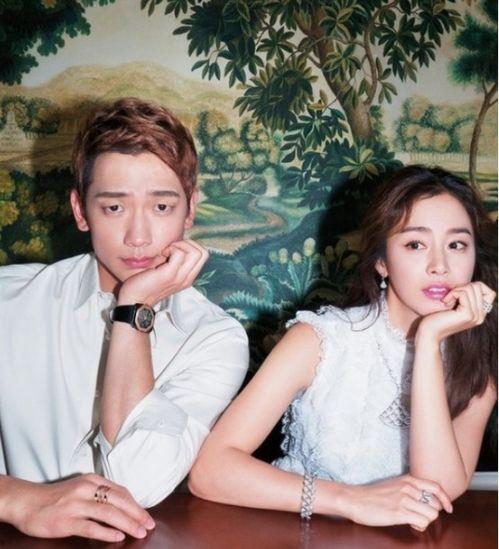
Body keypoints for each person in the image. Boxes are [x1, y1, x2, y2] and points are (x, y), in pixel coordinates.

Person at [189, 165, 497, 531]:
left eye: (456, 245)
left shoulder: (476, 366)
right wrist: (350, 500)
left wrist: (429, 341)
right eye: (415, 244)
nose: (440, 266)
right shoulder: (319, 340)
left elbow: (436, 491)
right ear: (382, 261)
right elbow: (209, 471)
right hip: (292, 534)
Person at [0, 98, 249, 542]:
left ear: (190, 209)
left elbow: (139, 480)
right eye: (114, 208)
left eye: (161, 207)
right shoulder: (10, 301)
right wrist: (16, 498)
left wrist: (133, 307)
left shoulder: (215, 340)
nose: (138, 237)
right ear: (81, 211)